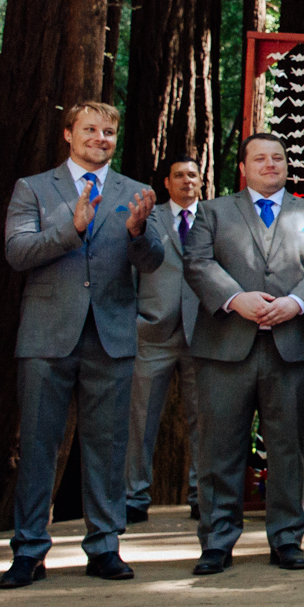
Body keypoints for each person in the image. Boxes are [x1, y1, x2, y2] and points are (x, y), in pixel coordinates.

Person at [1, 101, 162, 588]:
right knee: (38, 445)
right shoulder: (32, 188)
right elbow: (16, 252)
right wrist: (69, 230)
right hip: (47, 336)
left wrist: (137, 233)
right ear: (68, 134)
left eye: (109, 131)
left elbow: (152, 260)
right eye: (90, 129)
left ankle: (105, 545)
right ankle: (29, 550)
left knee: (110, 446)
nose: (100, 138)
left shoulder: (135, 192)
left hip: (110, 336)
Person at [182, 133, 304, 575]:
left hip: (292, 348)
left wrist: (294, 304)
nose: (270, 164)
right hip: (225, 345)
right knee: (220, 448)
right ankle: (217, 540)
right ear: (244, 167)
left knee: (288, 446)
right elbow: (196, 261)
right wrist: (237, 299)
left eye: (278, 158)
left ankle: (287, 538)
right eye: (261, 158)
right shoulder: (213, 212)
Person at [126, 155, 204, 526]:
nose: (186, 180)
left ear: (200, 181)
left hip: (204, 332)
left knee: (203, 419)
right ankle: (133, 496)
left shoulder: (214, 218)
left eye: (192, 174)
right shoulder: (148, 218)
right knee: (140, 418)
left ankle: (201, 495)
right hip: (152, 331)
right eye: (179, 175)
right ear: (167, 184)